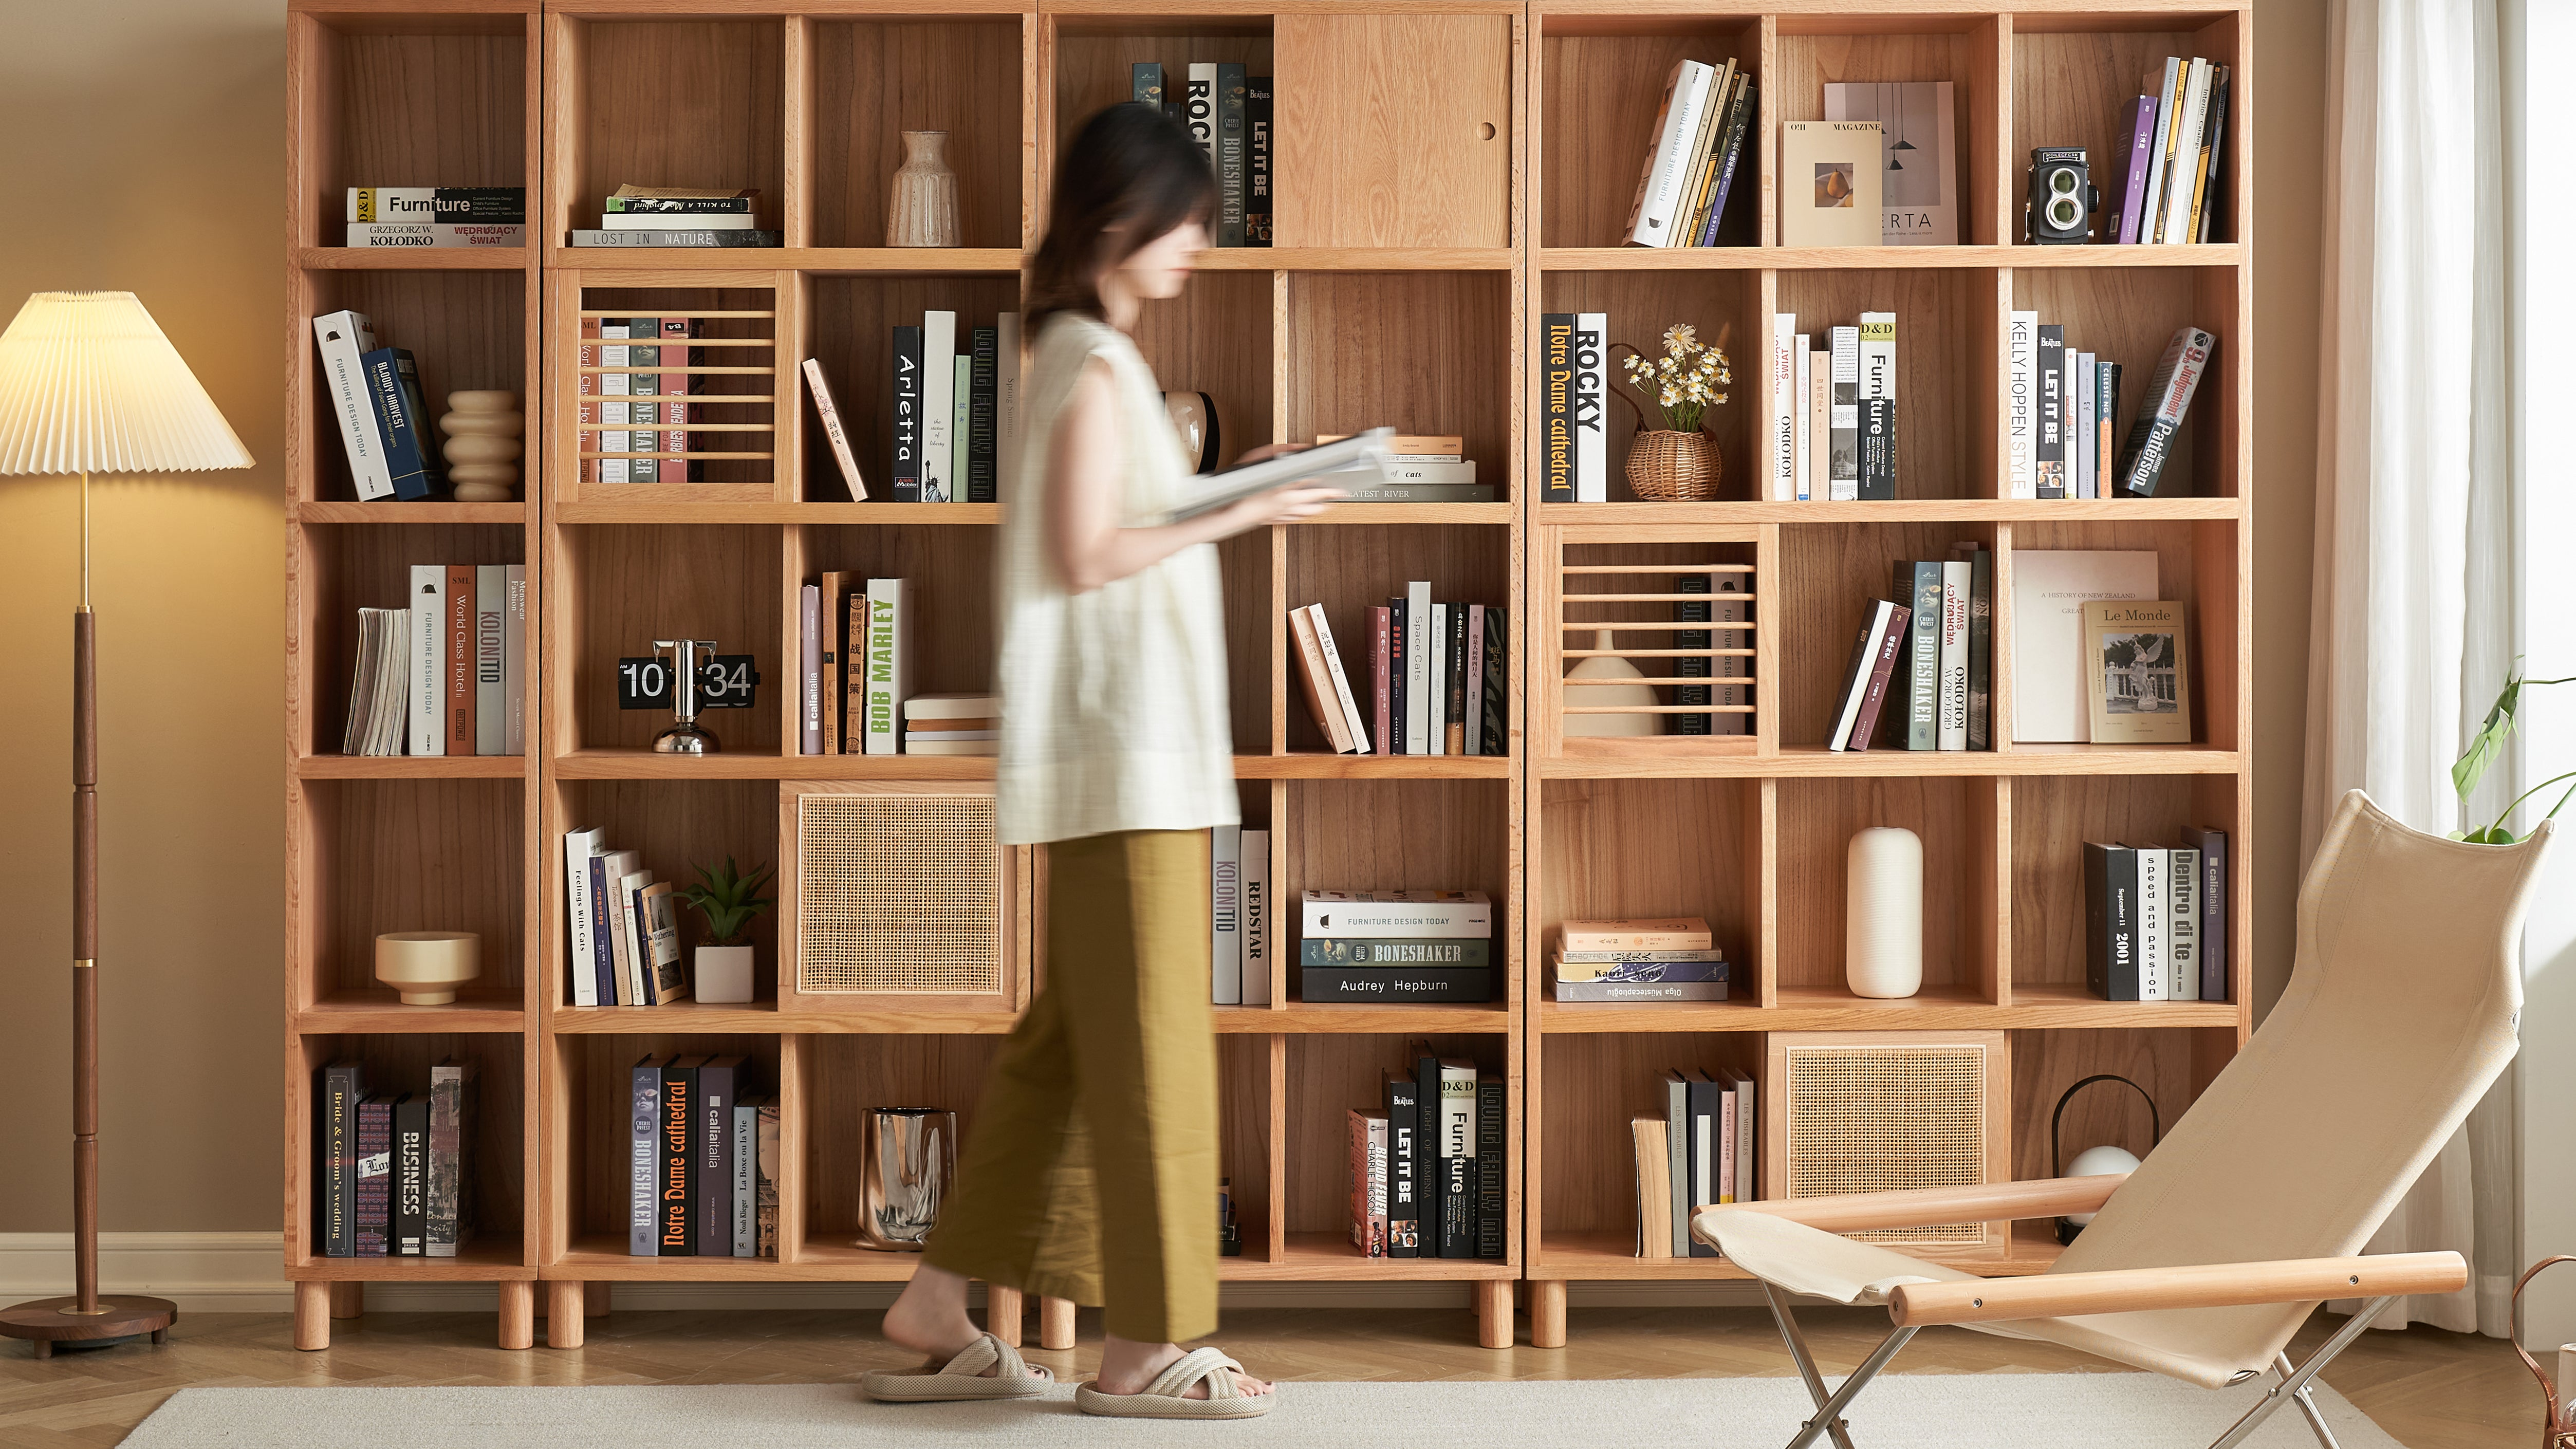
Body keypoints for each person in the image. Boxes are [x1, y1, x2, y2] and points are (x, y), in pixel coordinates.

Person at [860, 103, 1340, 1420]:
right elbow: (1088, 558)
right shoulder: (1088, 361)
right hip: (1129, 756)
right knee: (1151, 1056)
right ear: (1117, 220)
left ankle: (939, 1302)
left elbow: (1122, 521)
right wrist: (1241, 511)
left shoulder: (1081, 357)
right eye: (1185, 217)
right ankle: (1142, 1349)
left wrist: (1242, 481)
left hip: (1116, 755)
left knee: (1069, 1047)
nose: (1199, 241)